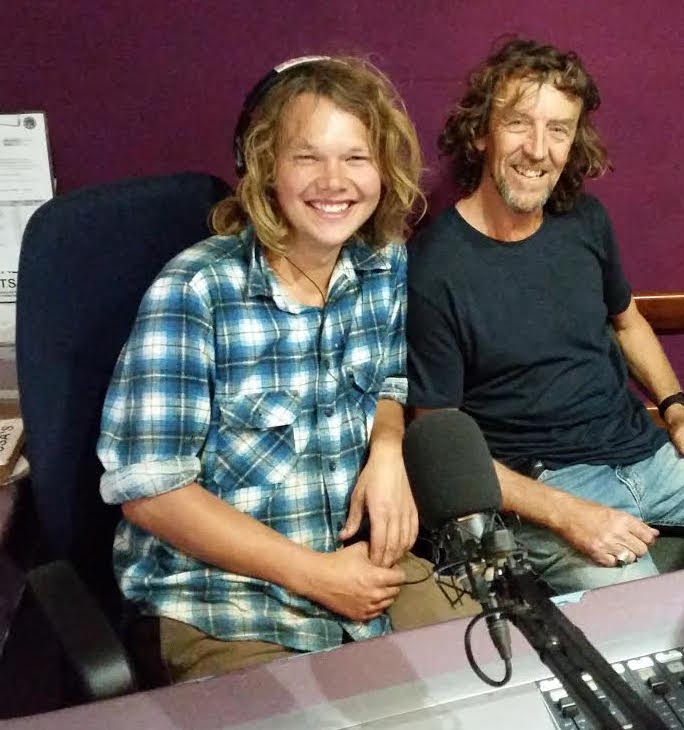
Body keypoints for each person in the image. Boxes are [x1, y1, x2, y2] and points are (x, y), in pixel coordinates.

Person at [98, 55, 475, 685]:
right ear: (264, 166)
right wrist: (318, 576)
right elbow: (151, 493)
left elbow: (387, 381)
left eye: (356, 157)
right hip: (226, 600)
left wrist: (387, 449)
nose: (334, 181)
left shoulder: (384, 264)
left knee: (495, 685)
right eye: (307, 157)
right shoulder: (195, 291)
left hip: (366, 567)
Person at [407, 38, 684, 595]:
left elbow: (628, 323)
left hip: (649, 455)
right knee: (640, 621)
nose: (538, 149)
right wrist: (566, 514)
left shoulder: (584, 220)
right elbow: (442, 449)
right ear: (480, 132)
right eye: (518, 123)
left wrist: (678, 411)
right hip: (547, 490)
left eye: (558, 129)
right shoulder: (434, 267)